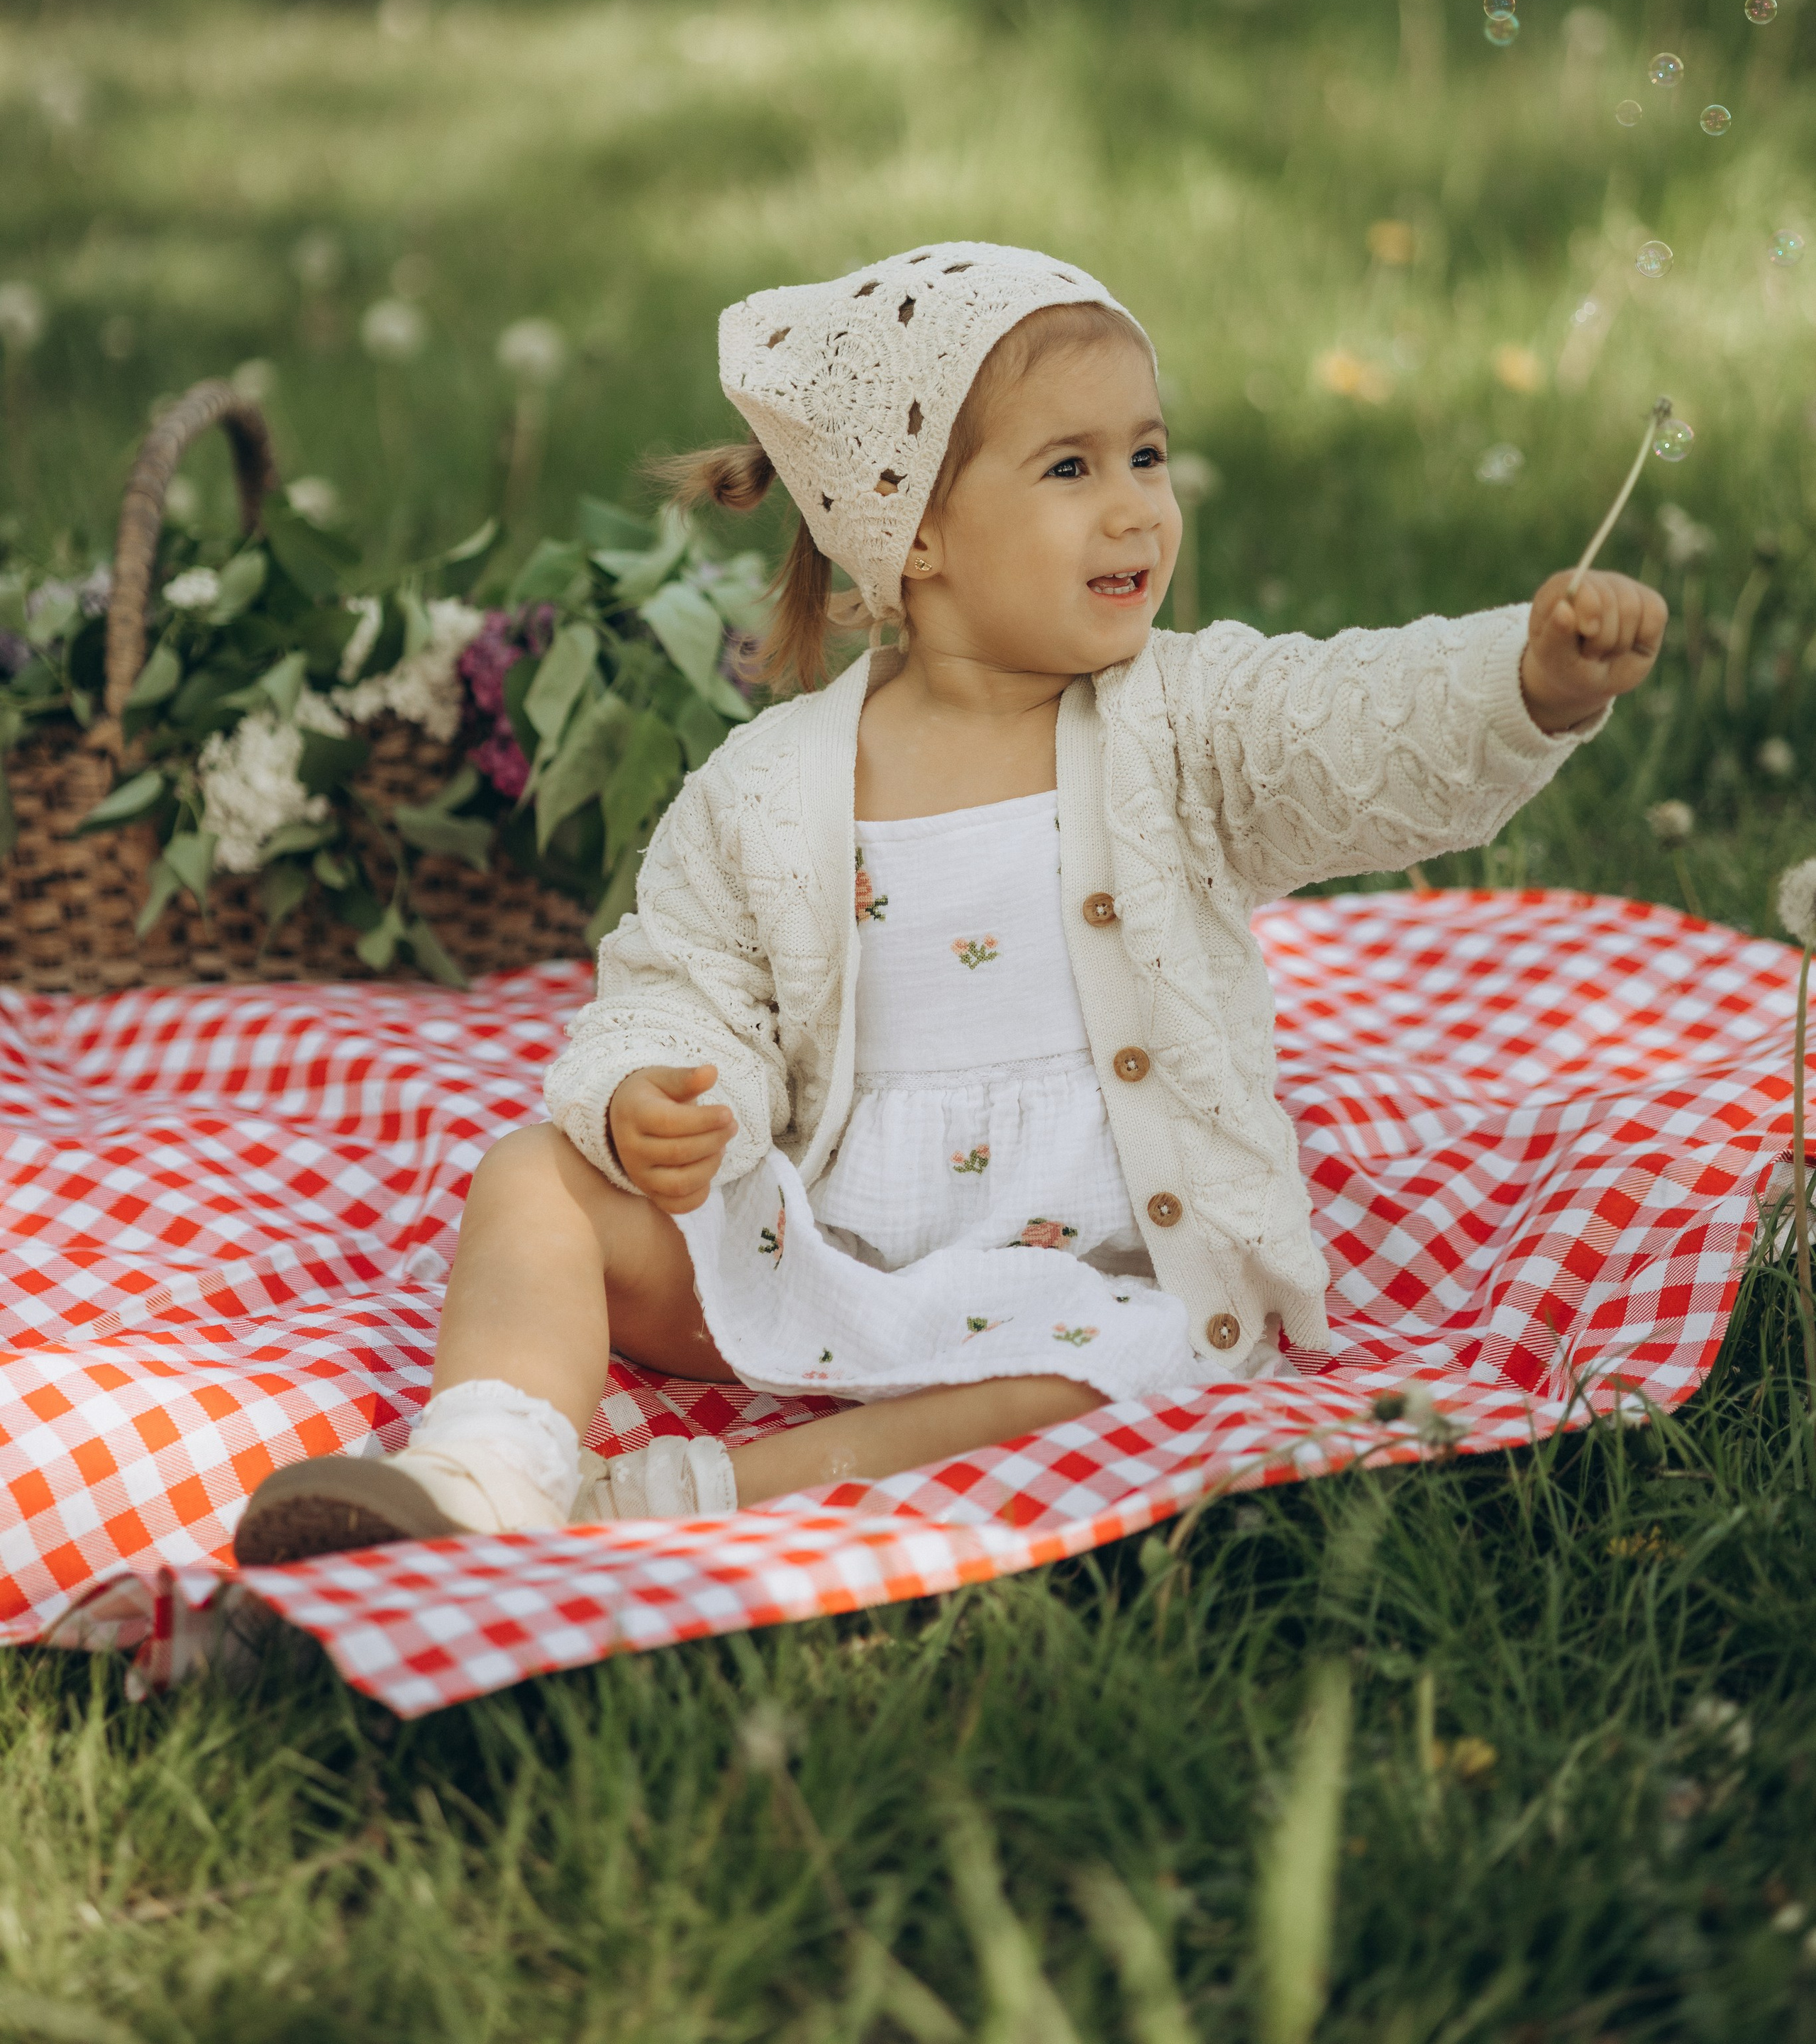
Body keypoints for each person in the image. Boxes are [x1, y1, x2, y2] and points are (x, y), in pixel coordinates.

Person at [235, 242, 1666, 1562]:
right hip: (830, 1247)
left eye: (1147, 455)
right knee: (531, 1174)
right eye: (1068, 468)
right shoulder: (770, 784)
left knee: (1119, 1372)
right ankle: (483, 1469)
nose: (1134, 506)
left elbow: (1359, 722)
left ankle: (697, 1498)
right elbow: (680, 983)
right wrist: (654, 1103)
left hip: (1089, 1274)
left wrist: (1528, 677)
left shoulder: (1187, 722)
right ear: (912, 534)